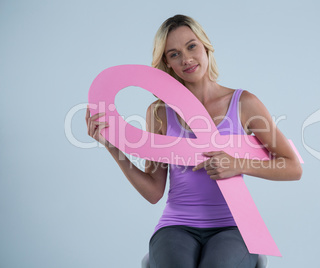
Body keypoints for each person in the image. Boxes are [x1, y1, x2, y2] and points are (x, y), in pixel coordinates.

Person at [86, 14, 302, 268]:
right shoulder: (159, 112)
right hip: (176, 227)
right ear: (167, 63)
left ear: (206, 46)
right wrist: (113, 146)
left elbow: (293, 167)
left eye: (191, 46)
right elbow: (154, 191)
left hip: (233, 227)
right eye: (174, 54)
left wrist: (238, 164)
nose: (186, 58)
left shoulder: (244, 104)